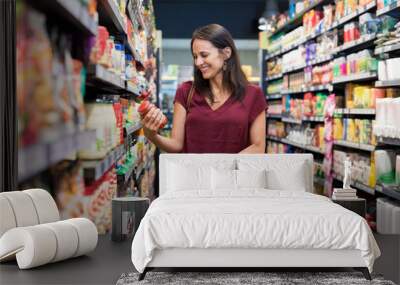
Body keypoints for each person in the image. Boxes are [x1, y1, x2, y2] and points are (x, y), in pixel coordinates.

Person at [141, 24, 267, 153]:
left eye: (204, 55)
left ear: (226, 53)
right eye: (195, 56)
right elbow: (176, 145)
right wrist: (152, 135)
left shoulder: (253, 95)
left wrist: (224, 169)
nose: (198, 62)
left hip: (235, 173)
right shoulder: (186, 91)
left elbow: (258, 146)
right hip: (194, 173)